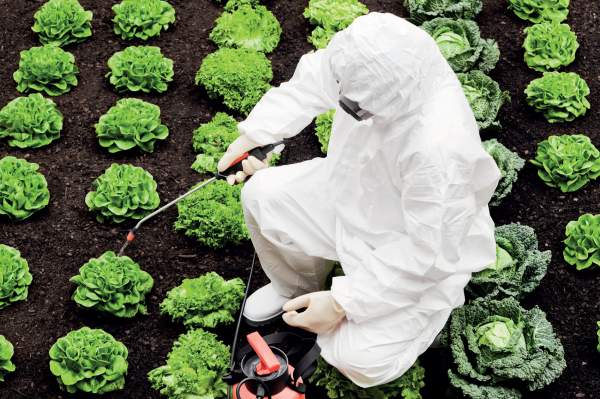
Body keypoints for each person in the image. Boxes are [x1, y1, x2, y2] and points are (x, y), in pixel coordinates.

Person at [217, 12, 501, 387]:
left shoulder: (440, 151)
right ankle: (297, 290)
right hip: (350, 189)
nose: (344, 103)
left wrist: (343, 302)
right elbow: (318, 79)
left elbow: (426, 255)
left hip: (409, 250)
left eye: (354, 106)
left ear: (388, 99)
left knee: (358, 360)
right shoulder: (372, 54)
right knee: (261, 195)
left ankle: (423, 325)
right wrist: (256, 133)